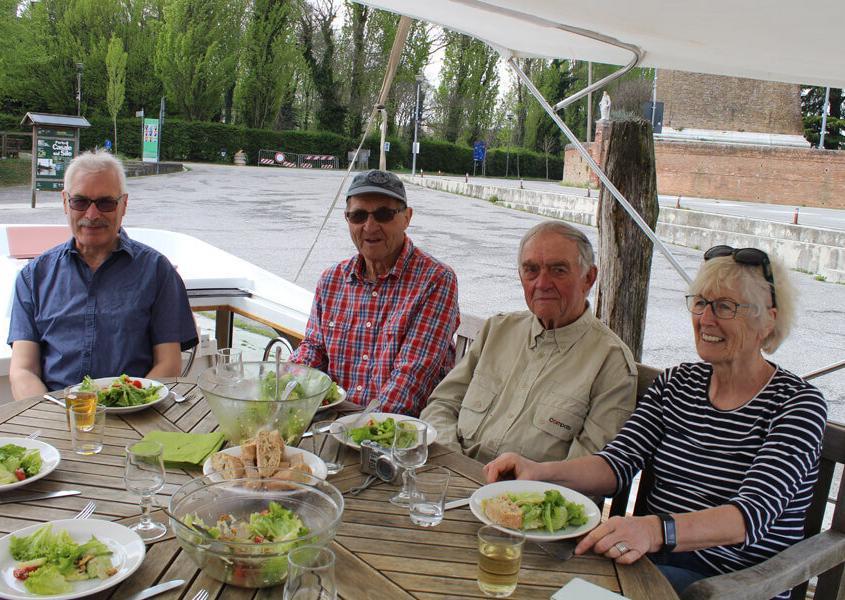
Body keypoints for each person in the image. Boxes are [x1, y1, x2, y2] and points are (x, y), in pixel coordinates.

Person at [484, 245, 827, 599]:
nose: (706, 320)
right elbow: (616, 464)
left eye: (725, 307)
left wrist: (654, 530)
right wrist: (539, 472)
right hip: (649, 563)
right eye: (700, 302)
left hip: (735, 585)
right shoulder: (679, 383)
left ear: (768, 320)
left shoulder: (797, 404)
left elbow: (751, 514)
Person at [420, 221, 636, 464]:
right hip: (452, 478)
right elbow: (442, 404)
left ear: (589, 278)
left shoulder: (610, 363)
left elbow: (588, 469)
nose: (542, 283)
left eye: (558, 270)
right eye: (531, 270)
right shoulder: (498, 330)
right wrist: (456, 464)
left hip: (526, 498)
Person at [8, 150, 198, 400]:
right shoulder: (33, 277)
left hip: (135, 416)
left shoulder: (157, 271)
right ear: (65, 202)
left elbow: (169, 364)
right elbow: (23, 369)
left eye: (106, 203)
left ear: (124, 205)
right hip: (57, 415)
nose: (92, 214)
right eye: (80, 201)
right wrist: (55, 415)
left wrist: (126, 407)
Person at [290, 169, 459, 417]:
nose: (370, 226)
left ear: (406, 217)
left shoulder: (436, 280)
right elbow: (314, 349)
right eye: (358, 216)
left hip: (399, 434)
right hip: (333, 419)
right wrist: (287, 388)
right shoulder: (331, 280)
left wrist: (357, 428)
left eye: (383, 214)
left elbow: (411, 378)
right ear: (347, 219)